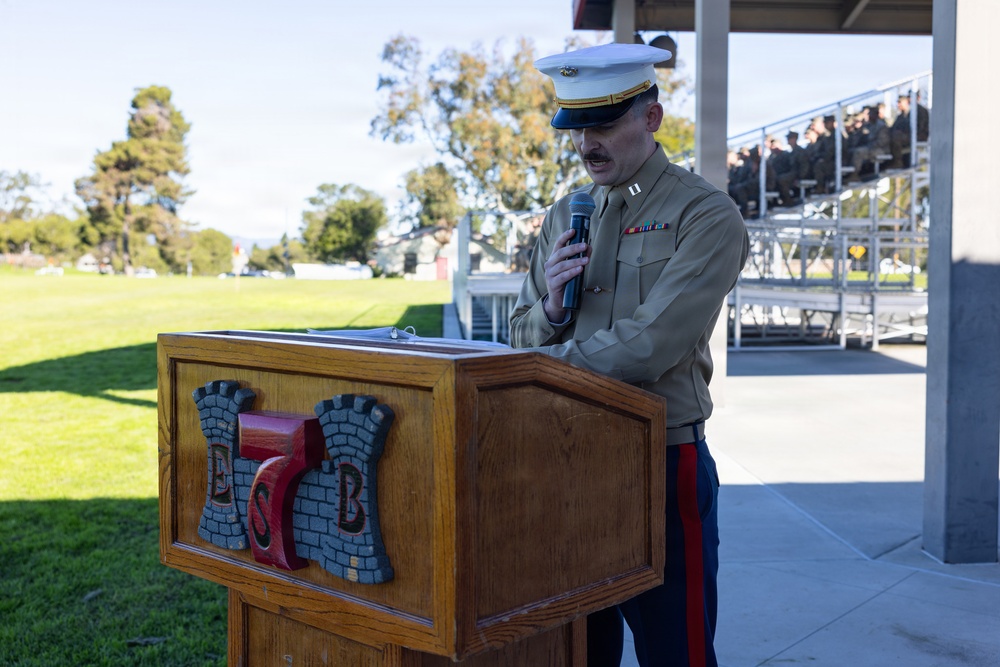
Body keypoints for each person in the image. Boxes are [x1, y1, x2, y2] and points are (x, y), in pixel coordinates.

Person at [509, 42, 749, 667]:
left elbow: (649, 345)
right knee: (577, 650)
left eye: (605, 124)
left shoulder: (704, 214)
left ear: (652, 118)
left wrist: (535, 373)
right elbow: (519, 332)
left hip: (658, 459)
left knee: (676, 650)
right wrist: (552, 308)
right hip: (566, 456)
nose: (587, 143)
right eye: (577, 127)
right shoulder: (566, 213)